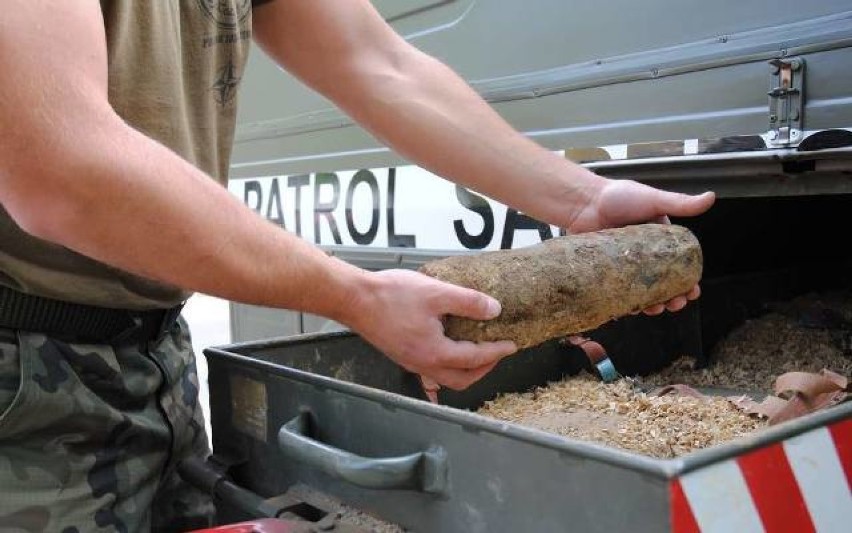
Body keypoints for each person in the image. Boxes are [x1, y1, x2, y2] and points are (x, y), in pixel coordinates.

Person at [0, 1, 714, 531]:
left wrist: (583, 198)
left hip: (152, 354)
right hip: (24, 379)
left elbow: (379, 64)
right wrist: (354, 293)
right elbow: (61, 166)